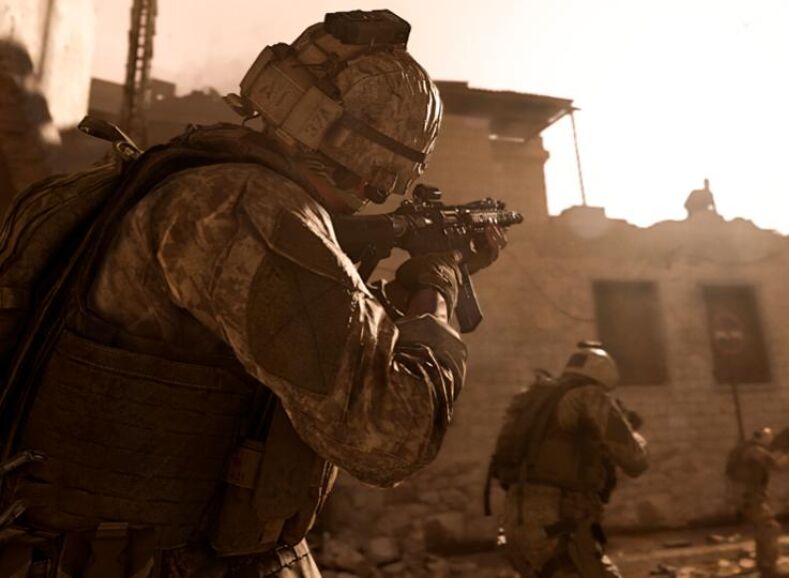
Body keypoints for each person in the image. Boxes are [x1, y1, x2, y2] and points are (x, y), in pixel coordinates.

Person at [0, 10, 506, 577]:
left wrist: (390, 297)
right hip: (150, 561)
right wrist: (438, 285)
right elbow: (392, 434)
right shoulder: (250, 209)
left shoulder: (184, 177)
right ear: (377, 164)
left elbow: (270, 342)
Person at [488, 342, 648, 577]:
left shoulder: (537, 400)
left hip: (514, 522)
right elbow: (635, 460)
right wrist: (630, 431)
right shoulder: (589, 395)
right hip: (558, 524)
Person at [726, 427, 789, 578]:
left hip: (746, 497)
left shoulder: (745, 449)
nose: (771, 440)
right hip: (751, 498)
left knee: (762, 530)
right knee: (771, 528)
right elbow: (777, 465)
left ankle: (763, 565)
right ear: (762, 438)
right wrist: (786, 450)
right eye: (769, 437)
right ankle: (769, 568)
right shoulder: (756, 451)